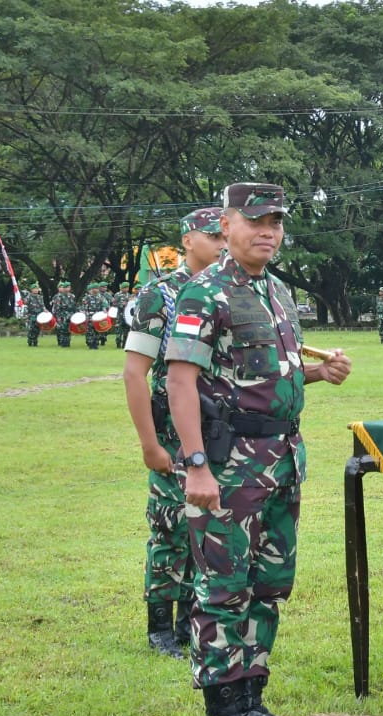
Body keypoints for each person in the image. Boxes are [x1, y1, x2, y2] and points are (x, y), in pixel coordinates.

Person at [165, 183, 351, 716]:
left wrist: (318, 374)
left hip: (281, 460)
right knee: (223, 586)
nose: (268, 230)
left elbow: (265, 376)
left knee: (268, 583)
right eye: (256, 220)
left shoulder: (276, 292)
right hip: (228, 465)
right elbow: (180, 380)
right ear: (226, 225)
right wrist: (196, 464)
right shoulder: (205, 293)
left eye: (276, 221)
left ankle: (251, 701)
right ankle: (220, 715)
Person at [123, 206, 225, 660]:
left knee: (206, 531)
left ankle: (190, 620)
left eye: (225, 234)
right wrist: (149, 444)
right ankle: (160, 626)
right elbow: (134, 374)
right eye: (212, 235)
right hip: (172, 436)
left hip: (220, 433)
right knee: (171, 528)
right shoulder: (159, 295)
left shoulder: (228, 290)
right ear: (187, 240)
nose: (222, 243)